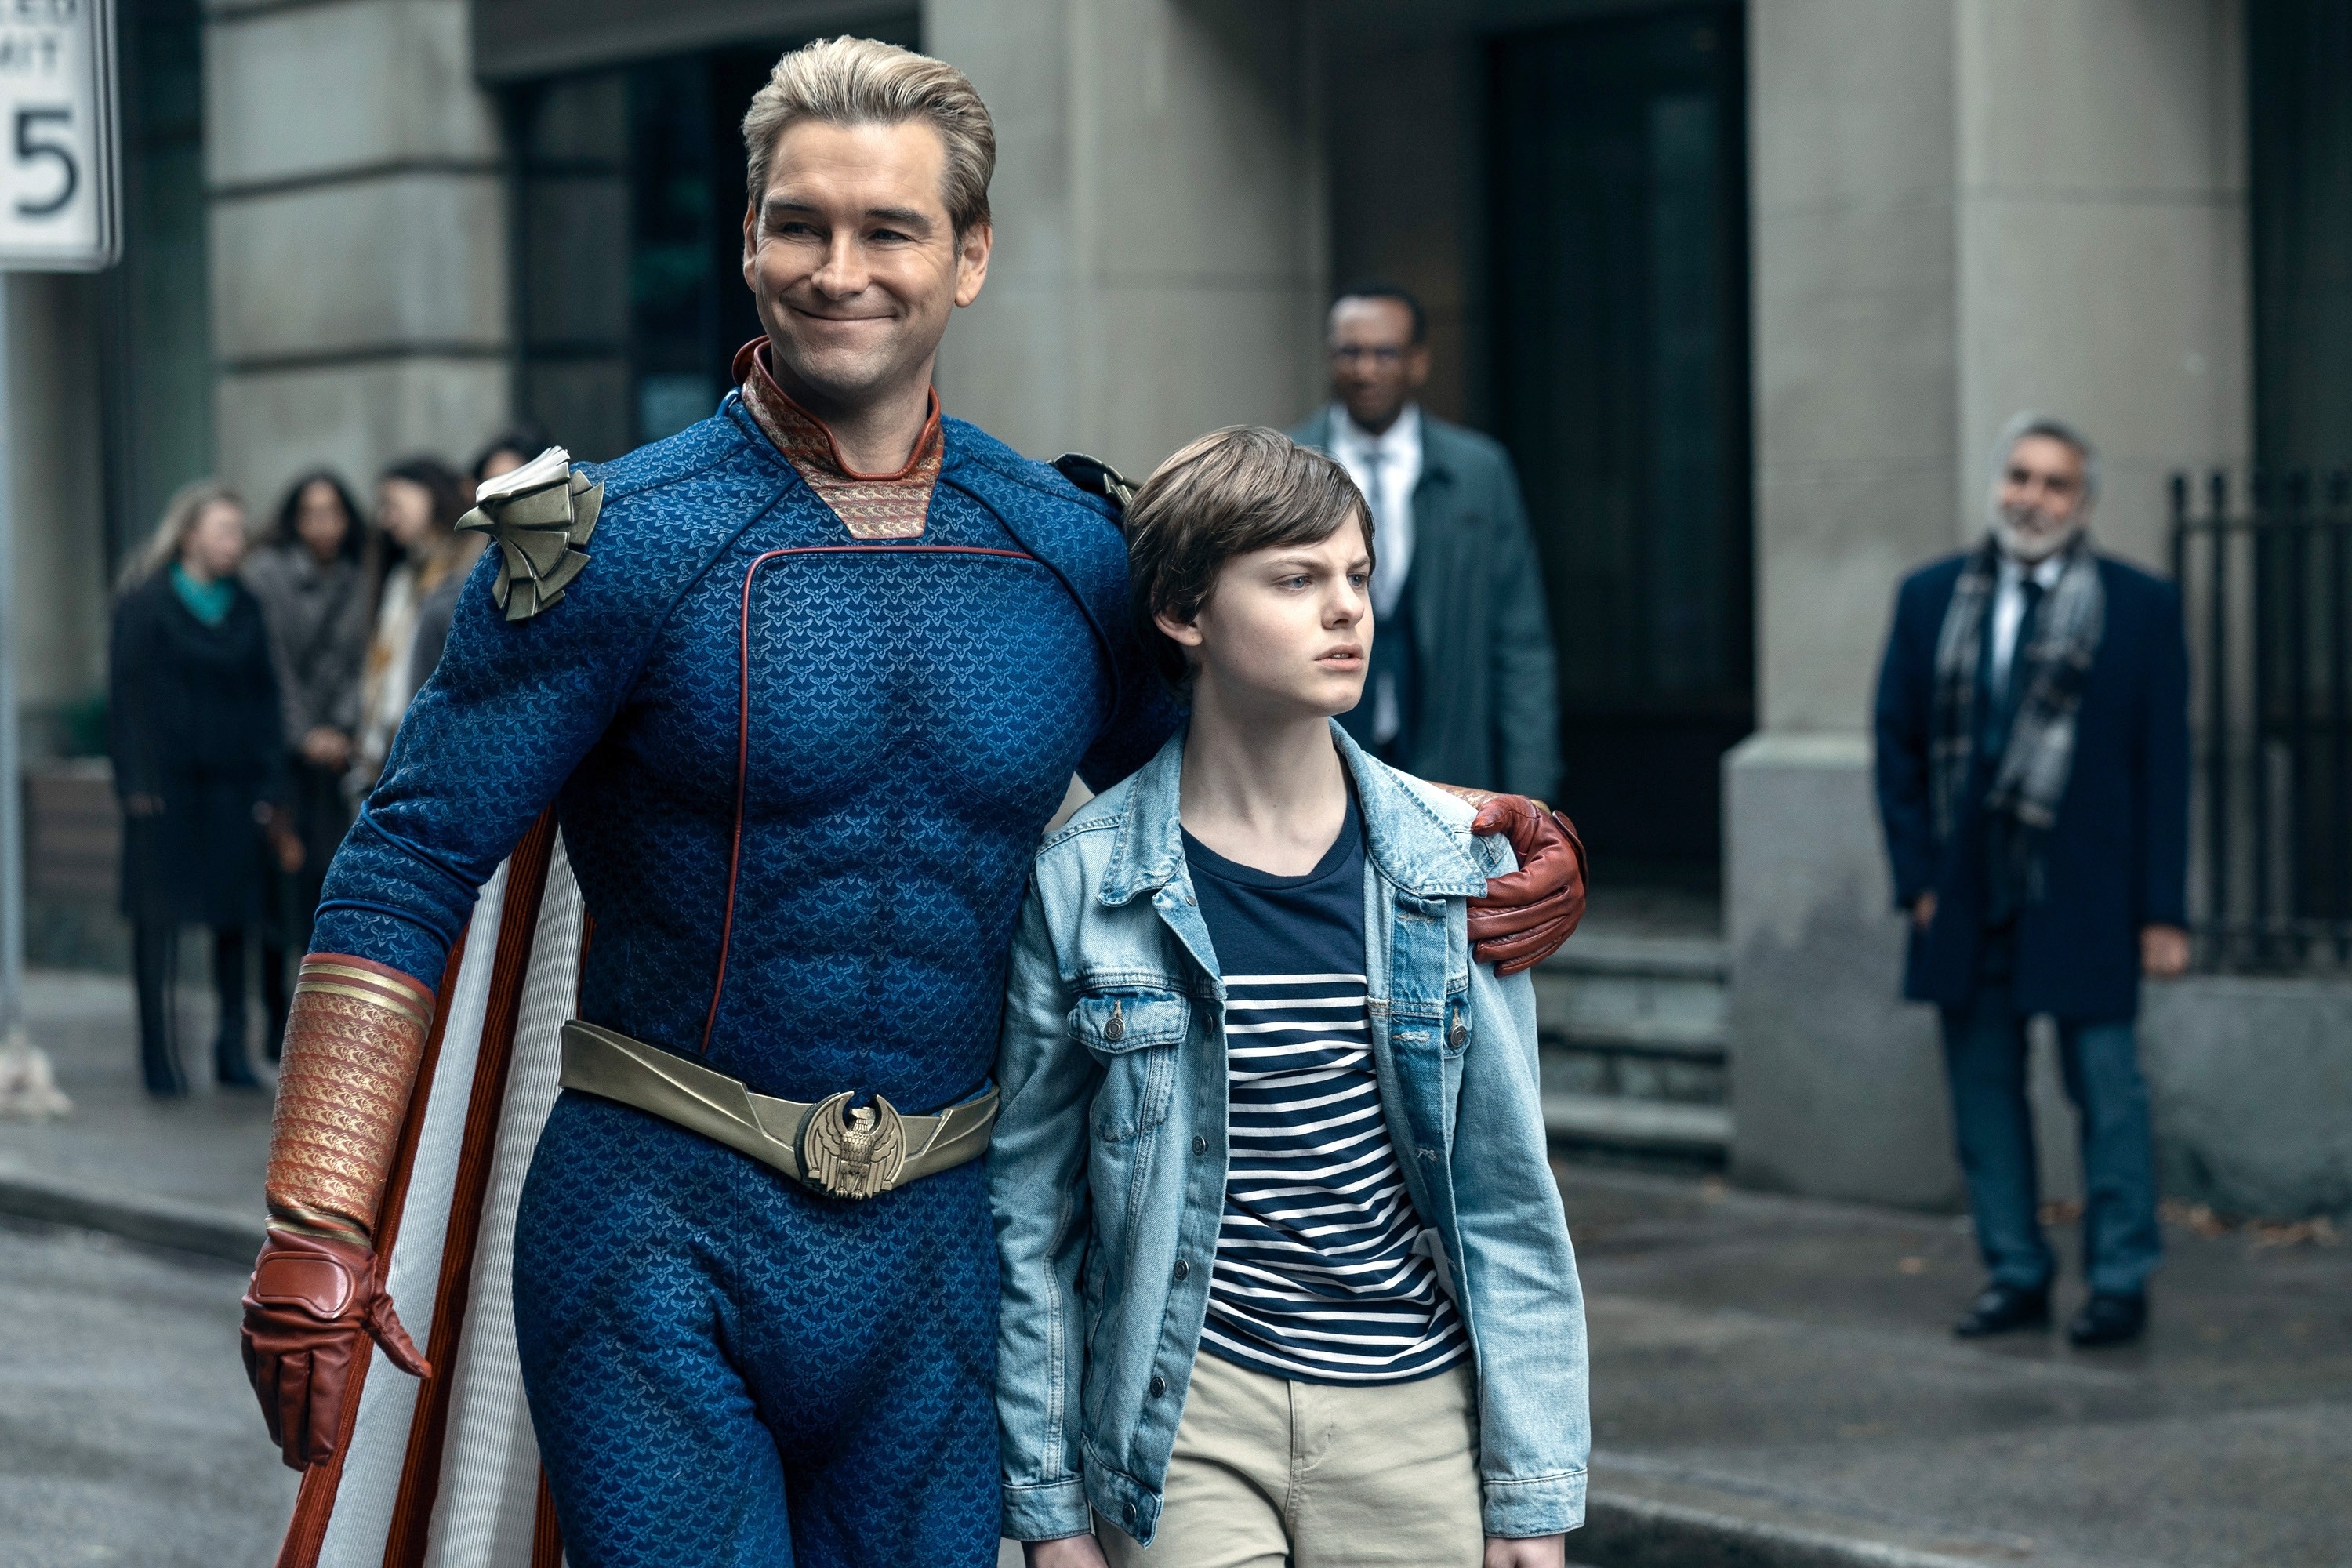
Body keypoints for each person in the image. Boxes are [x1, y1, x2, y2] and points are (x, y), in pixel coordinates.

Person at [236, 38, 1583, 1566]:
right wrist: (317, 1218)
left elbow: (1235, 784)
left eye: (888, 229)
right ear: (748, 238)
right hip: (655, 1235)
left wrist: (1463, 837)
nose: (838, 267)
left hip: (951, 1257)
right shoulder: (612, 543)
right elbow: (412, 854)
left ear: (970, 254)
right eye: (798, 223)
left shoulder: (1074, 550)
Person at [996, 429, 1588, 1568]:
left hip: (1412, 1419)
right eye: (1296, 578)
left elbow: (1507, 1198)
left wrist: (1532, 1488)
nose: (1345, 611)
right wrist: (1049, 1505)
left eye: (1357, 576)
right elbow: (1031, 1217)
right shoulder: (1084, 884)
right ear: (1184, 611)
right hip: (1185, 1418)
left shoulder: (1449, 868)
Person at [1873, 412, 2190, 1349]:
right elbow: (1898, 747)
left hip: (2089, 891)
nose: (2032, 497)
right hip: (1966, 890)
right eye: (2020, 476)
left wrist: (2162, 910)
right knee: (1982, 1091)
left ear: (2083, 502)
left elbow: (2164, 767)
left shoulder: (2140, 605)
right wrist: (1917, 880)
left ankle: (2120, 1279)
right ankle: (2015, 1268)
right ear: (1998, 484)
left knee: (2110, 1091)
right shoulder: (1930, 596)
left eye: (2055, 483)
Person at [1289, 284, 1560, 803]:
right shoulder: (1285, 466)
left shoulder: (1479, 472)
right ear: (1330, 357)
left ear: (1417, 362)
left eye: (1384, 353)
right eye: (1351, 352)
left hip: (1448, 744)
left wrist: (1531, 789)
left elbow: (1520, 641)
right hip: (1317, 748)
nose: (1365, 370)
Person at [108, 481, 294, 1095]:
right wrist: (134, 782)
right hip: (163, 794)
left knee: (235, 919)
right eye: (224, 531)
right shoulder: (145, 603)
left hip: (232, 789)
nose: (235, 543)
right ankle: (157, 1057)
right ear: (190, 535)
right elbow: (126, 699)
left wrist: (271, 781)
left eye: (239, 532)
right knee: (157, 924)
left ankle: (230, 1050)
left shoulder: (244, 604)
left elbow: (266, 698)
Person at [243, 470, 374, 1060]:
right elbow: (273, 668)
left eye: (333, 512)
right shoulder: (267, 578)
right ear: (294, 519)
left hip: (343, 755)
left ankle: (322, 1025)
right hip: (282, 754)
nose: (323, 525)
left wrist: (342, 729)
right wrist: (306, 735)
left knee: (334, 880)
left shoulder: (364, 577)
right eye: (311, 513)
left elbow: (369, 661)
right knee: (281, 886)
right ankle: (276, 1021)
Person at [352, 456, 468, 784]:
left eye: (393, 504)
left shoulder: (467, 564)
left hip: (444, 749)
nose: (385, 519)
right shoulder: (402, 577)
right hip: (394, 747)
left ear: (428, 494)